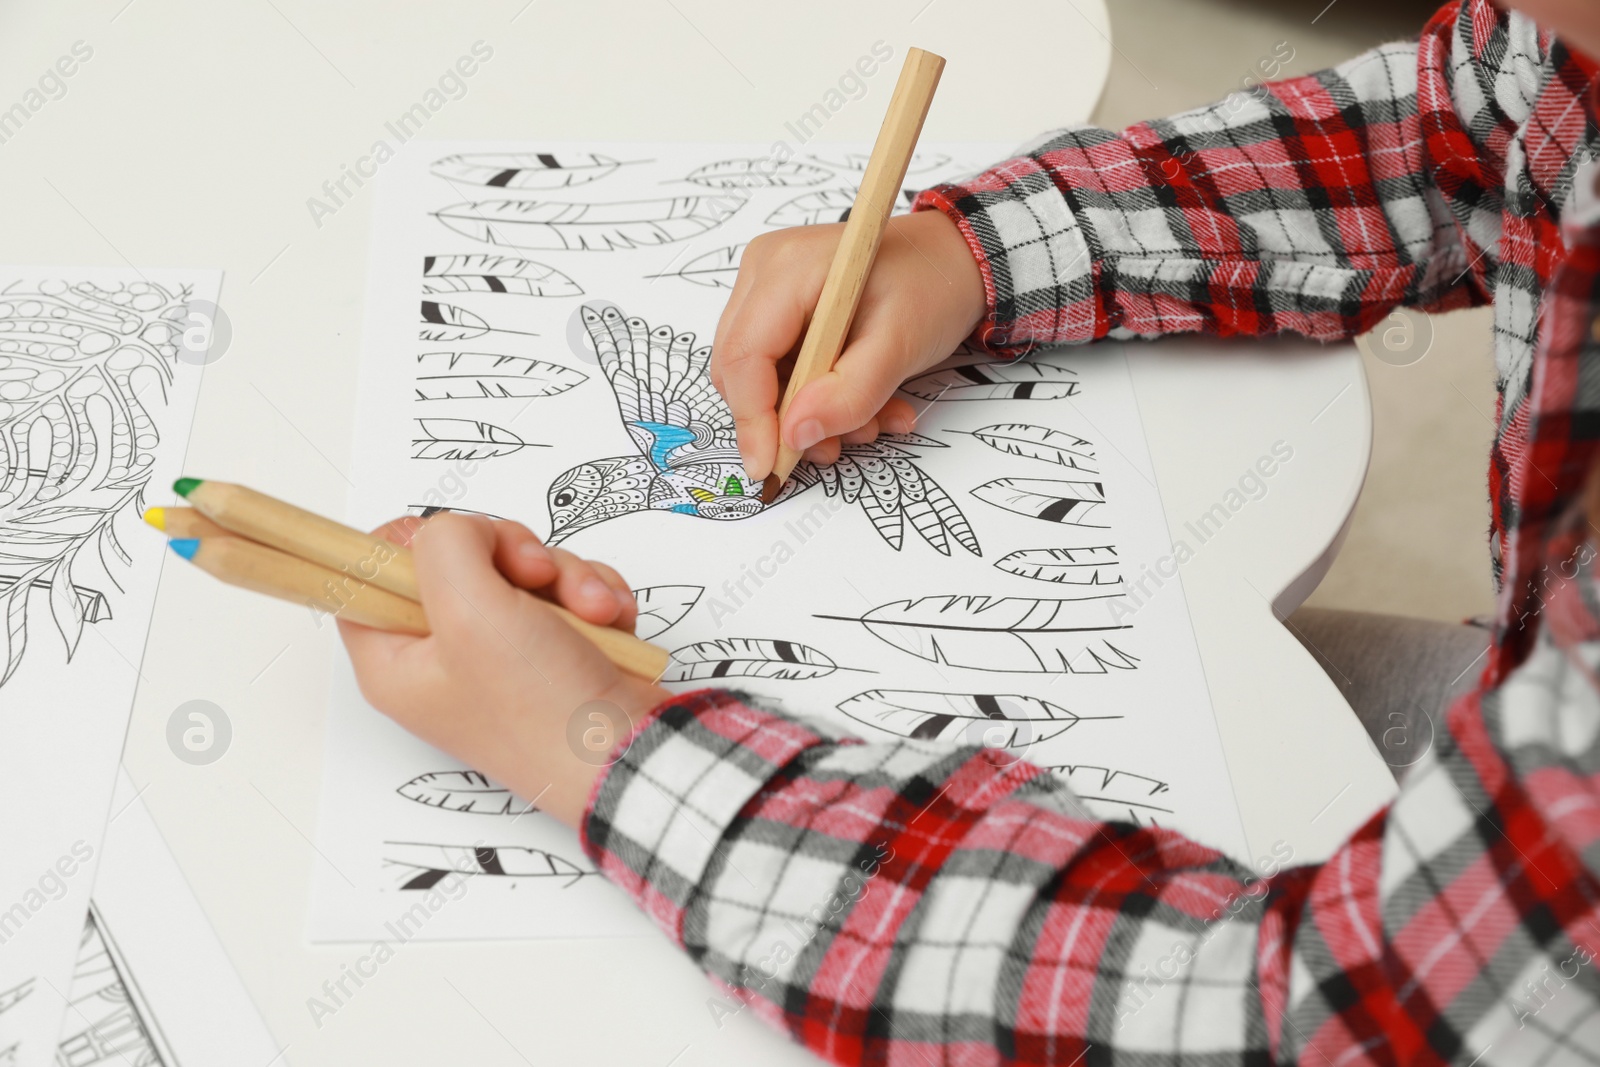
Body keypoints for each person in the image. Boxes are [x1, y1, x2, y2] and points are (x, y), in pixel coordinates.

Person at [339, 1, 1600, 1061]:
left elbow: (1295, 1022)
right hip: (1523, 681)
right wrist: (977, 251)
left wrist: (601, 753)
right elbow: (1472, 117)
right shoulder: (1566, 44)